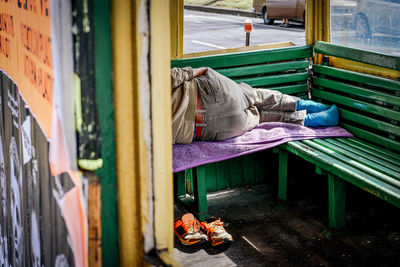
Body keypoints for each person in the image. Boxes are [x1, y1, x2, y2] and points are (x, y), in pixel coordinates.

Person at [171, 67, 338, 144]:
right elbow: (175, 76)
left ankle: (313, 119)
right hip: (206, 94)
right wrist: (201, 71)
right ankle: (309, 105)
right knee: (256, 96)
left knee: (262, 117)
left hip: (209, 129)